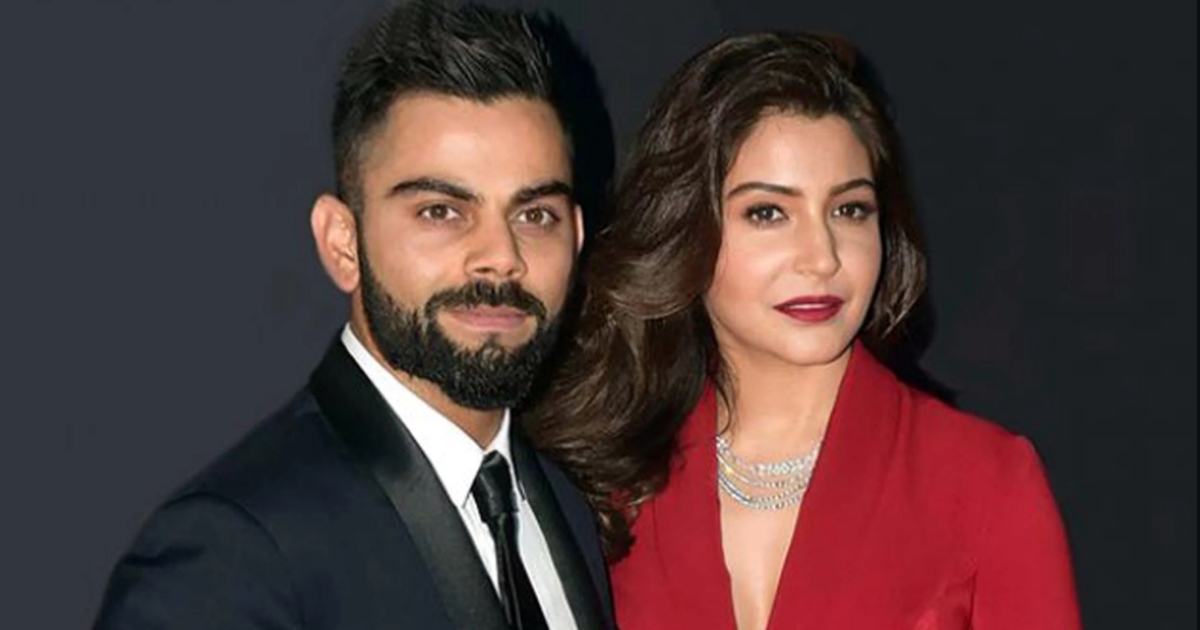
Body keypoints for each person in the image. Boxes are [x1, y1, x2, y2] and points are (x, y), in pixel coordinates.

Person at [524, 32, 1082, 629]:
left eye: (849, 210)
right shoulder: (601, 482)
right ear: (685, 227)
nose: (822, 257)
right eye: (768, 213)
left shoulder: (985, 480)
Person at [93, 3, 612, 629]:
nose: (501, 258)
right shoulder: (229, 556)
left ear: (575, 236)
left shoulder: (564, 506)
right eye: (441, 212)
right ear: (343, 243)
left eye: (534, 215)